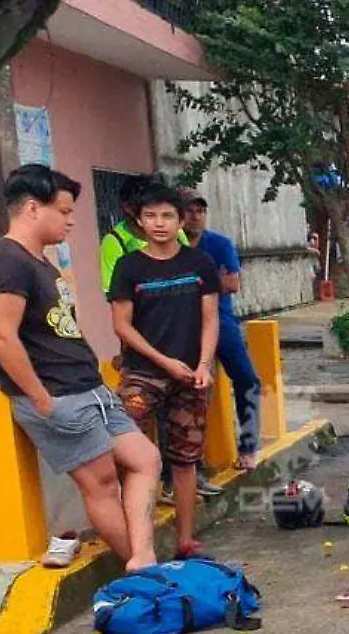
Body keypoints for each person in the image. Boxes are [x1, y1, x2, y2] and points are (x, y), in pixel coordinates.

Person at [0, 164, 160, 570]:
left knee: (145, 459)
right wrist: (41, 399)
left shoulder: (38, 261)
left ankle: (144, 556)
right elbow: (1, 336)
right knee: (101, 485)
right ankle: (143, 568)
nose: (71, 220)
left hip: (90, 389)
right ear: (31, 208)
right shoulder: (5, 261)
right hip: (58, 395)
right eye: (63, 212)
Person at [108, 183, 222, 560]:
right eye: (151, 216)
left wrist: (204, 364)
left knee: (185, 459)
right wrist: (163, 362)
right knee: (132, 456)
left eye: (167, 215)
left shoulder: (199, 264)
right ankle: (138, 543)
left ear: (180, 220)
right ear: (139, 221)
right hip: (143, 374)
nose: (159, 223)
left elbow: (210, 318)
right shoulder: (129, 267)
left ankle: (186, 539)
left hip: (192, 374)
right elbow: (122, 326)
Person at [182, 192, 263, 471]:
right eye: (189, 210)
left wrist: (189, 283)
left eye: (200, 210)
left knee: (247, 379)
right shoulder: (172, 246)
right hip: (183, 324)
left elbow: (231, 284)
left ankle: (249, 445)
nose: (195, 215)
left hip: (221, 319)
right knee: (188, 389)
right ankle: (191, 457)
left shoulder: (218, 244)